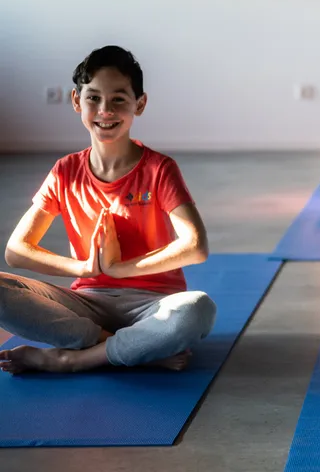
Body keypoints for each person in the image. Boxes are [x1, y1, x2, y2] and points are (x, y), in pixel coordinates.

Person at [0, 45, 216, 374]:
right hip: (86, 302)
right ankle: (123, 347)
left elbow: (195, 247)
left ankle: (72, 358)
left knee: (197, 309)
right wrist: (86, 269)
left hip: (154, 304)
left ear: (138, 104)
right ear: (76, 101)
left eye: (118, 99)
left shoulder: (159, 168)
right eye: (93, 98)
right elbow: (16, 251)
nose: (105, 110)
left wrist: (120, 269)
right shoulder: (65, 171)